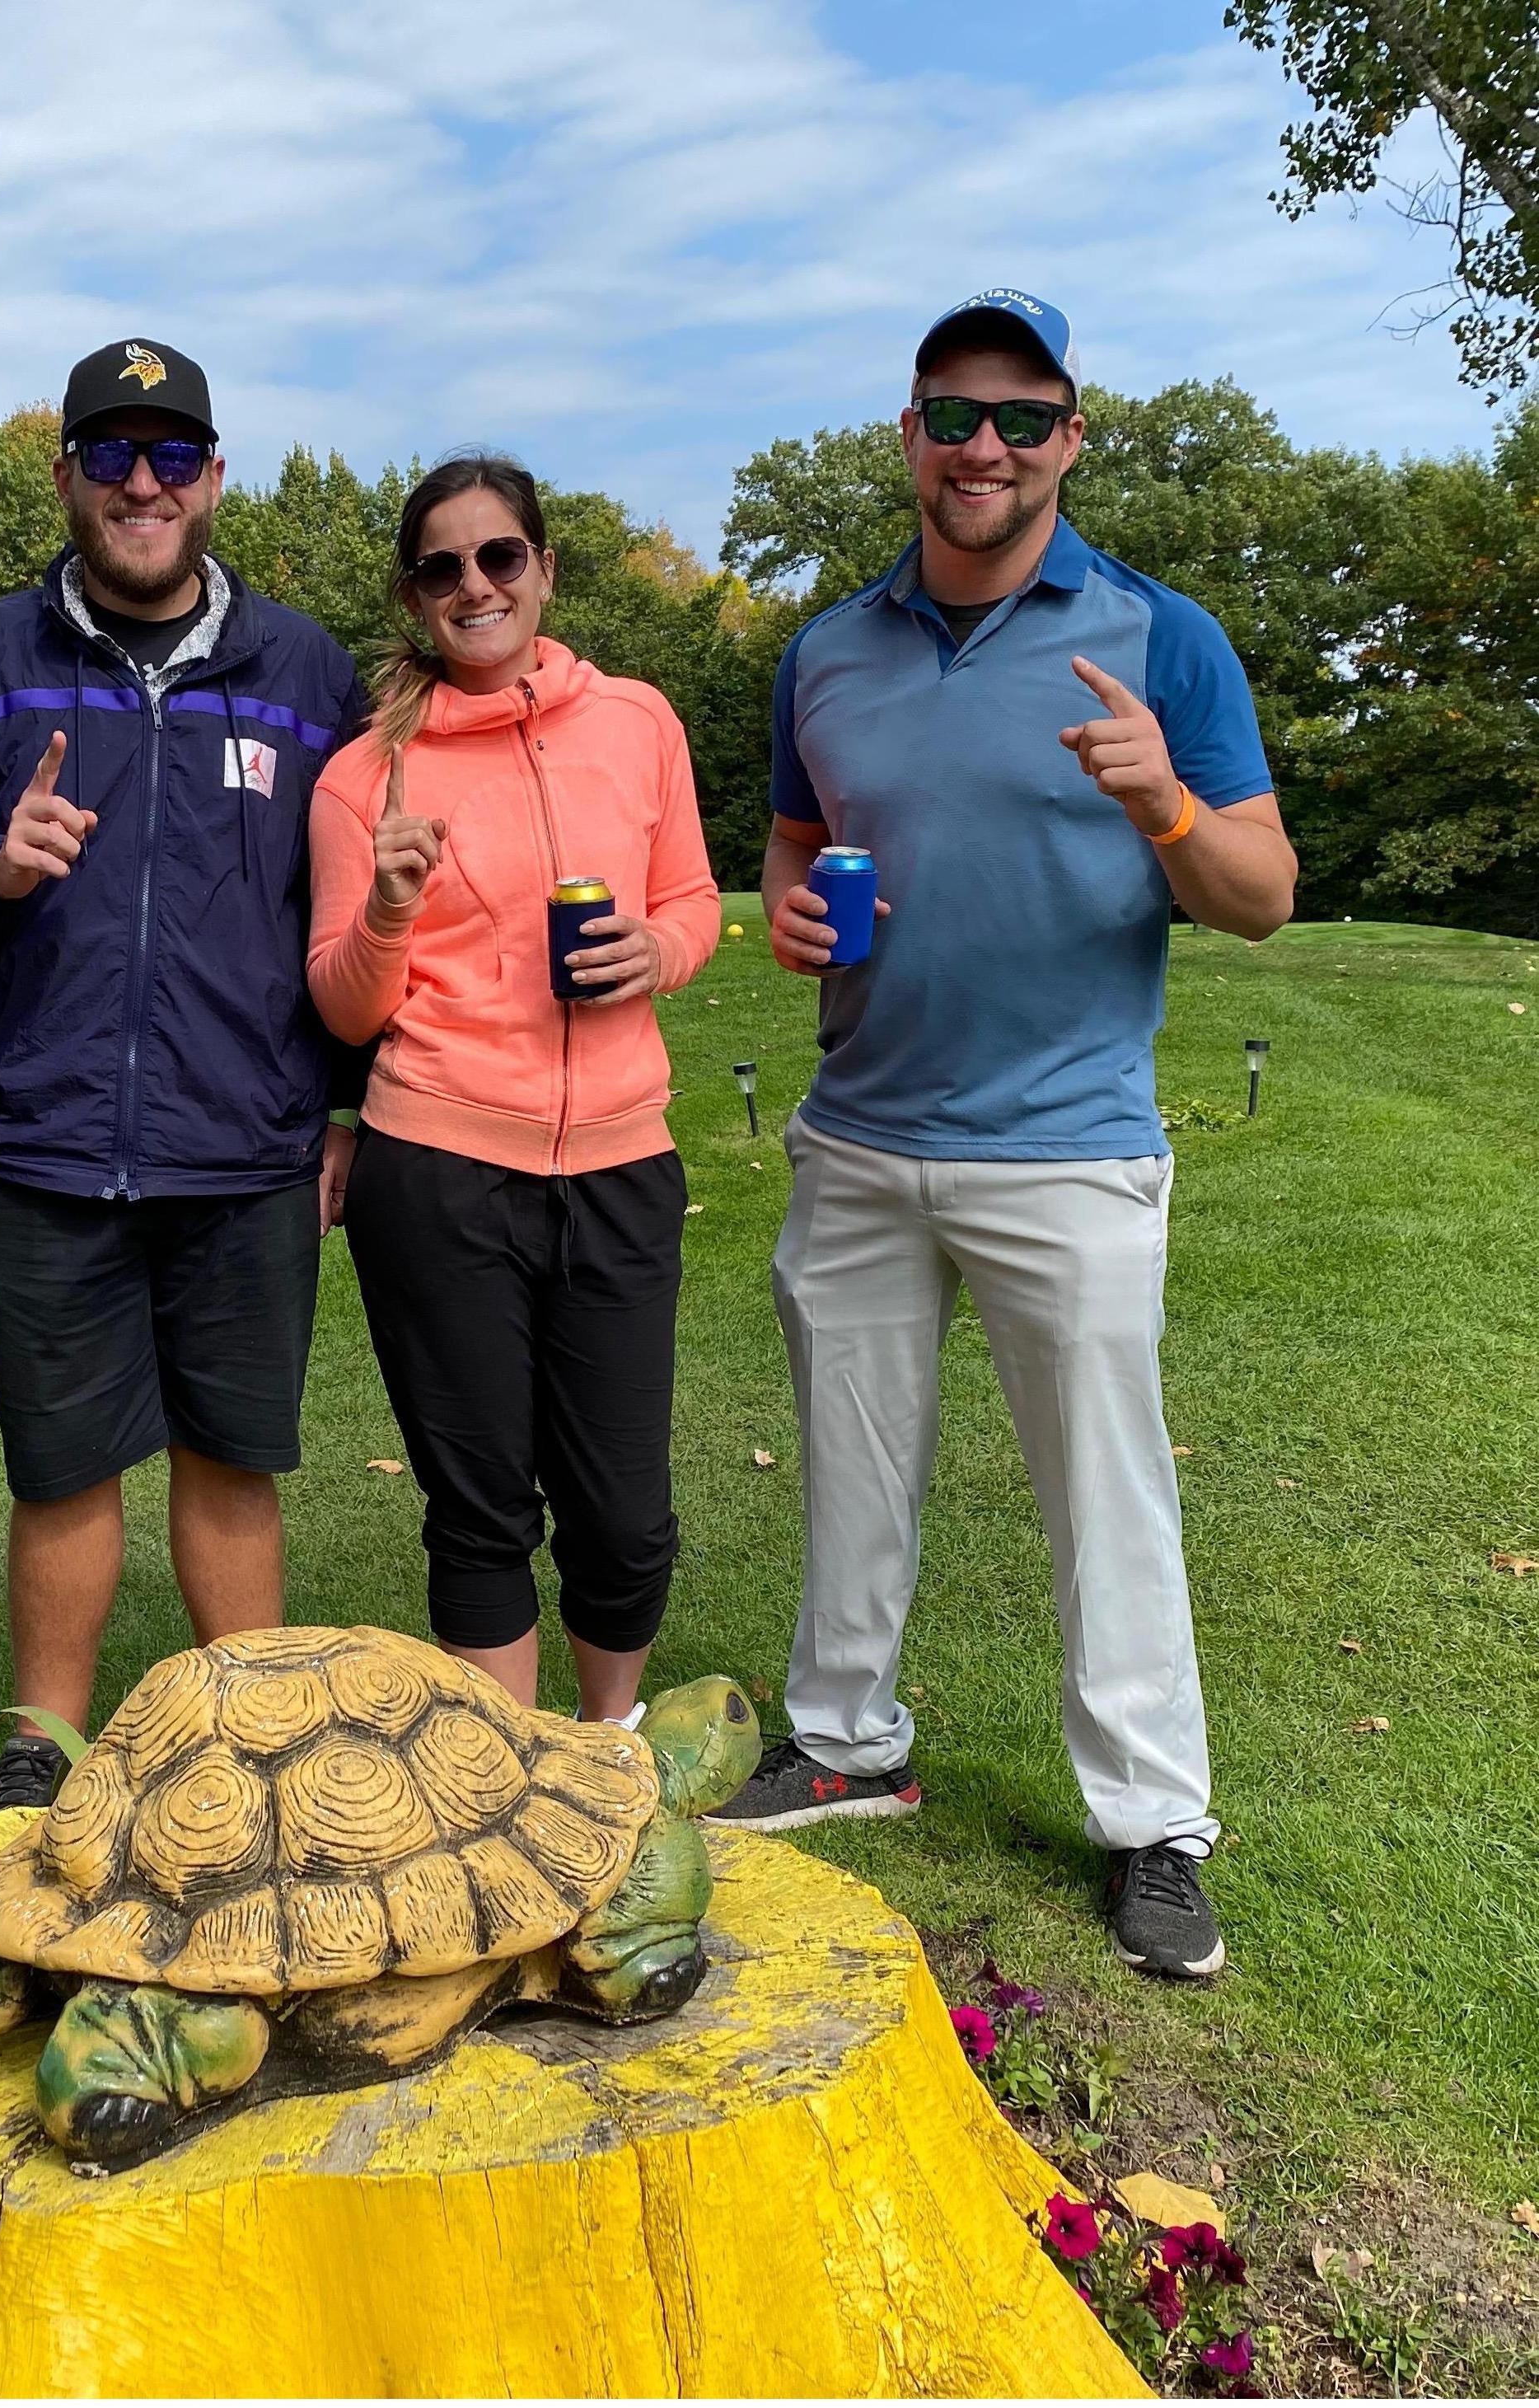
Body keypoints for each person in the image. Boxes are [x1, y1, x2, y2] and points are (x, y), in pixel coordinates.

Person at [709, 291, 1298, 1981]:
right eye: (953, 415)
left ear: (1072, 439)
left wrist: (1163, 803)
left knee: (1103, 1494)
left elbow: (1258, 896)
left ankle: (1154, 1822)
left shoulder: (1159, 635)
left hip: (1069, 1146)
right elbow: (794, 853)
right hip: (863, 1132)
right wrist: (789, 922)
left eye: (1022, 419)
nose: (985, 447)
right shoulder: (827, 651)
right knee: (853, 1467)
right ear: (907, 434)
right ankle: (843, 1742)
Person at [0, 339, 368, 1809]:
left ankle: (255, 1740)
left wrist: (341, 1100)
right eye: (106, 456)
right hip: (46, 1132)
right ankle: (43, 1747)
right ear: (67, 475)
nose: (138, 484)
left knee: (229, 1449)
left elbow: (337, 905)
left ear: (214, 476)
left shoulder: (302, 667)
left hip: (247, 1136)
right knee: (64, 1459)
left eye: (167, 457)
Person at [306, 456, 723, 1720]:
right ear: (412, 595)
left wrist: (657, 951)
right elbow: (341, 1002)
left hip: (617, 1160)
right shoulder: (359, 776)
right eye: (442, 567)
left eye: (499, 557)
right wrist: (385, 908)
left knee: (623, 1511)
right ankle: (513, 1782)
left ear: (543, 567)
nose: (474, 585)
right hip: (435, 1170)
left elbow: (691, 900)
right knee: (480, 1508)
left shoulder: (638, 722)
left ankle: (606, 1748)